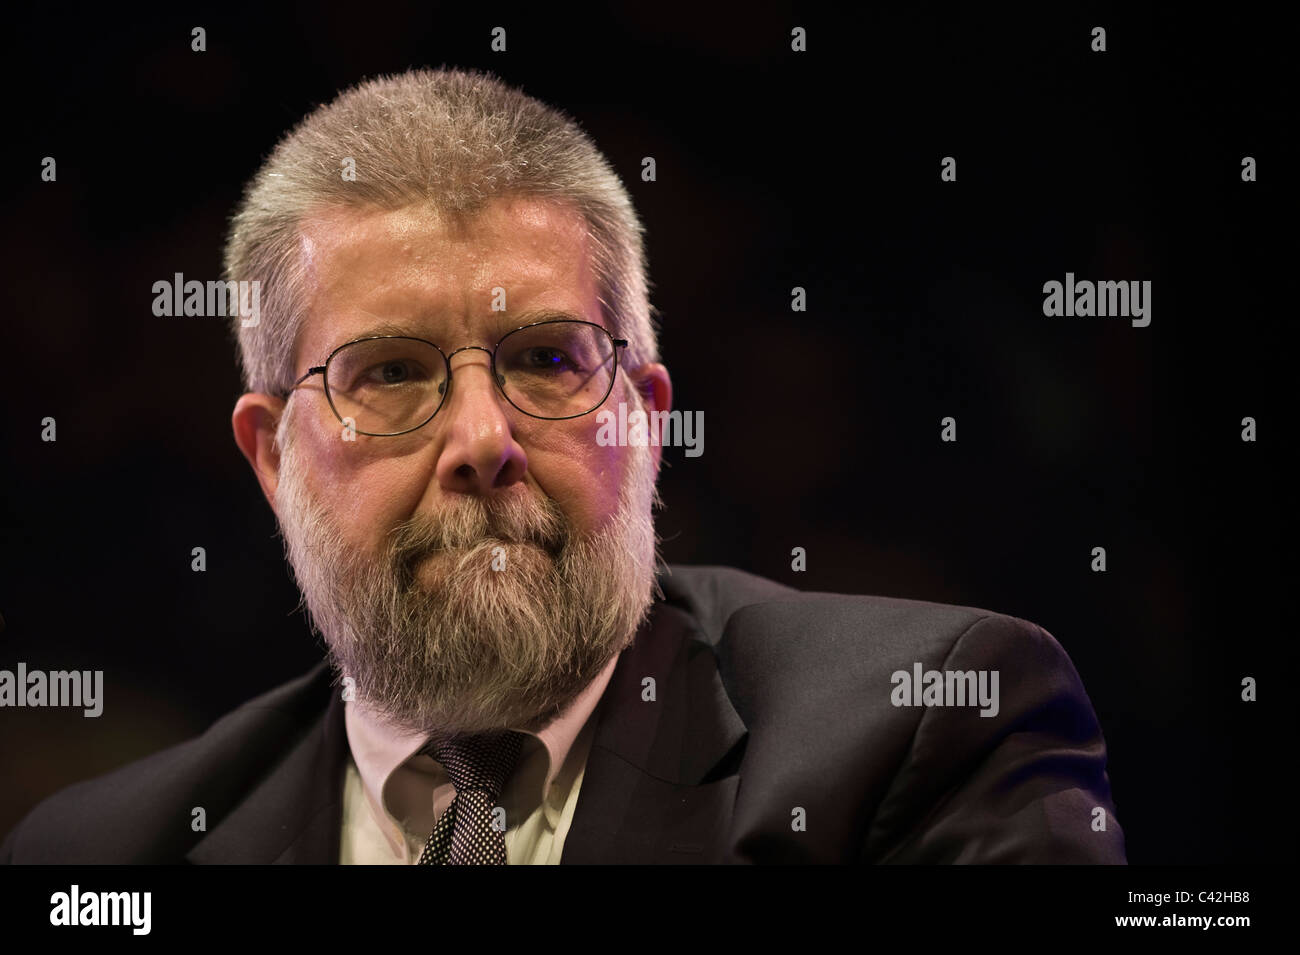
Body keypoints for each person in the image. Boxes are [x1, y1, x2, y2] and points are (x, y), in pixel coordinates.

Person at [0, 68, 1125, 864]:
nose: (484, 440)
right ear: (271, 451)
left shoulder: (914, 738)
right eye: (390, 373)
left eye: (545, 359)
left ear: (642, 415)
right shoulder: (102, 856)